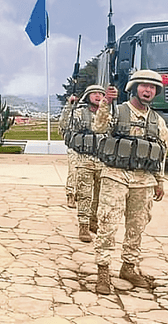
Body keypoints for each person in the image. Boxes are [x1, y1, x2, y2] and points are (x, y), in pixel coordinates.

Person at [92, 70, 168, 295]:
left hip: (143, 179)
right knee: (107, 224)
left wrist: (159, 181)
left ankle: (128, 267)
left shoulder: (157, 121)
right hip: (115, 175)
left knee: (137, 227)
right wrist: (106, 102)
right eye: (144, 85)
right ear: (134, 87)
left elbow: (161, 153)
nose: (148, 90)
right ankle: (103, 272)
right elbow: (98, 128)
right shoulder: (118, 111)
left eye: (153, 87)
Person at [60, 85, 106, 242]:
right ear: (88, 95)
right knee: (85, 195)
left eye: (101, 94)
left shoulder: (107, 113)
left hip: (103, 160)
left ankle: (94, 221)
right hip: (84, 159)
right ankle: (84, 225)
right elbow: (64, 127)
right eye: (95, 93)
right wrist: (69, 106)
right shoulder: (79, 112)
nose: (98, 96)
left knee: (99, 196)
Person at [59, 99, 79, 209]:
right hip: (74, 147)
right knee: (73, 171)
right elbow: (63, 123)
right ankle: (70, 194)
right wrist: (69, 105)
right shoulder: (73, 110)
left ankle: (79, 194)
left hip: (90, 149)